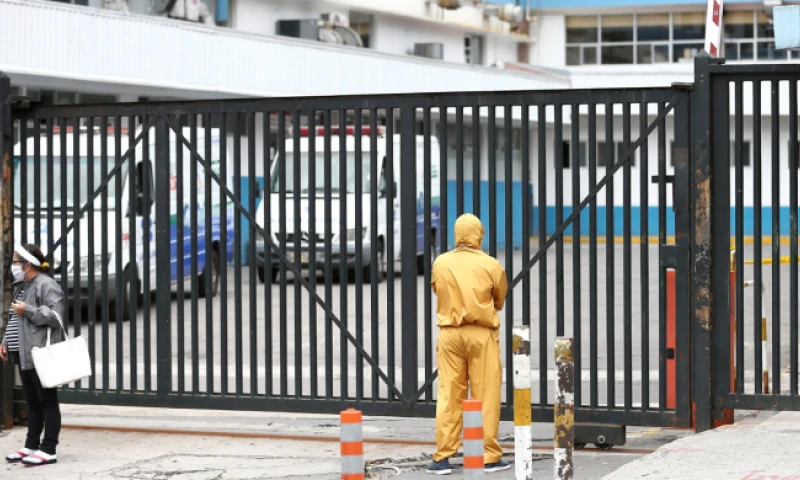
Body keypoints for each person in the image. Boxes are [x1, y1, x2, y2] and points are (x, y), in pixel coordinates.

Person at [426, 213, 510, 475]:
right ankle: (488, 455)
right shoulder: (490, 264)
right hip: (480, 333)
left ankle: (442, 457)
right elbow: (499, 300)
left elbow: (437, 290)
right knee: (486, 393)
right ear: (478, 234)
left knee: (450, 394)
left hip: (449, 334)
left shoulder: (440, 262)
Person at [0, 244, 65, 466]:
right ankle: (31, 445)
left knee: (47, 401)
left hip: (40, 353)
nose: (13, 266)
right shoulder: (22, 285)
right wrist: (6, 341)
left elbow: (56, 316)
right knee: (32, 402)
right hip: (23, 352)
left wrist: (27, 309)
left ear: (27, 265)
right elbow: (14, 318)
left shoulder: (46, 285)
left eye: (16, 262)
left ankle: (49, 449)